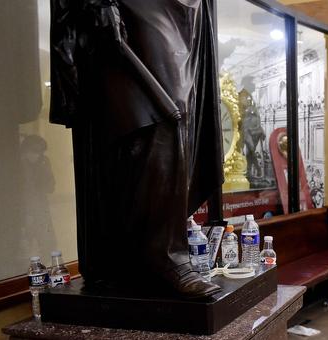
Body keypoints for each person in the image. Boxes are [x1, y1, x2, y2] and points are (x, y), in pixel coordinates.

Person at [49, 0, 223, 299]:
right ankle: (163, 255)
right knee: (161, 114)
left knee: (187, 114)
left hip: (186, 8)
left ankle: (138, 257)